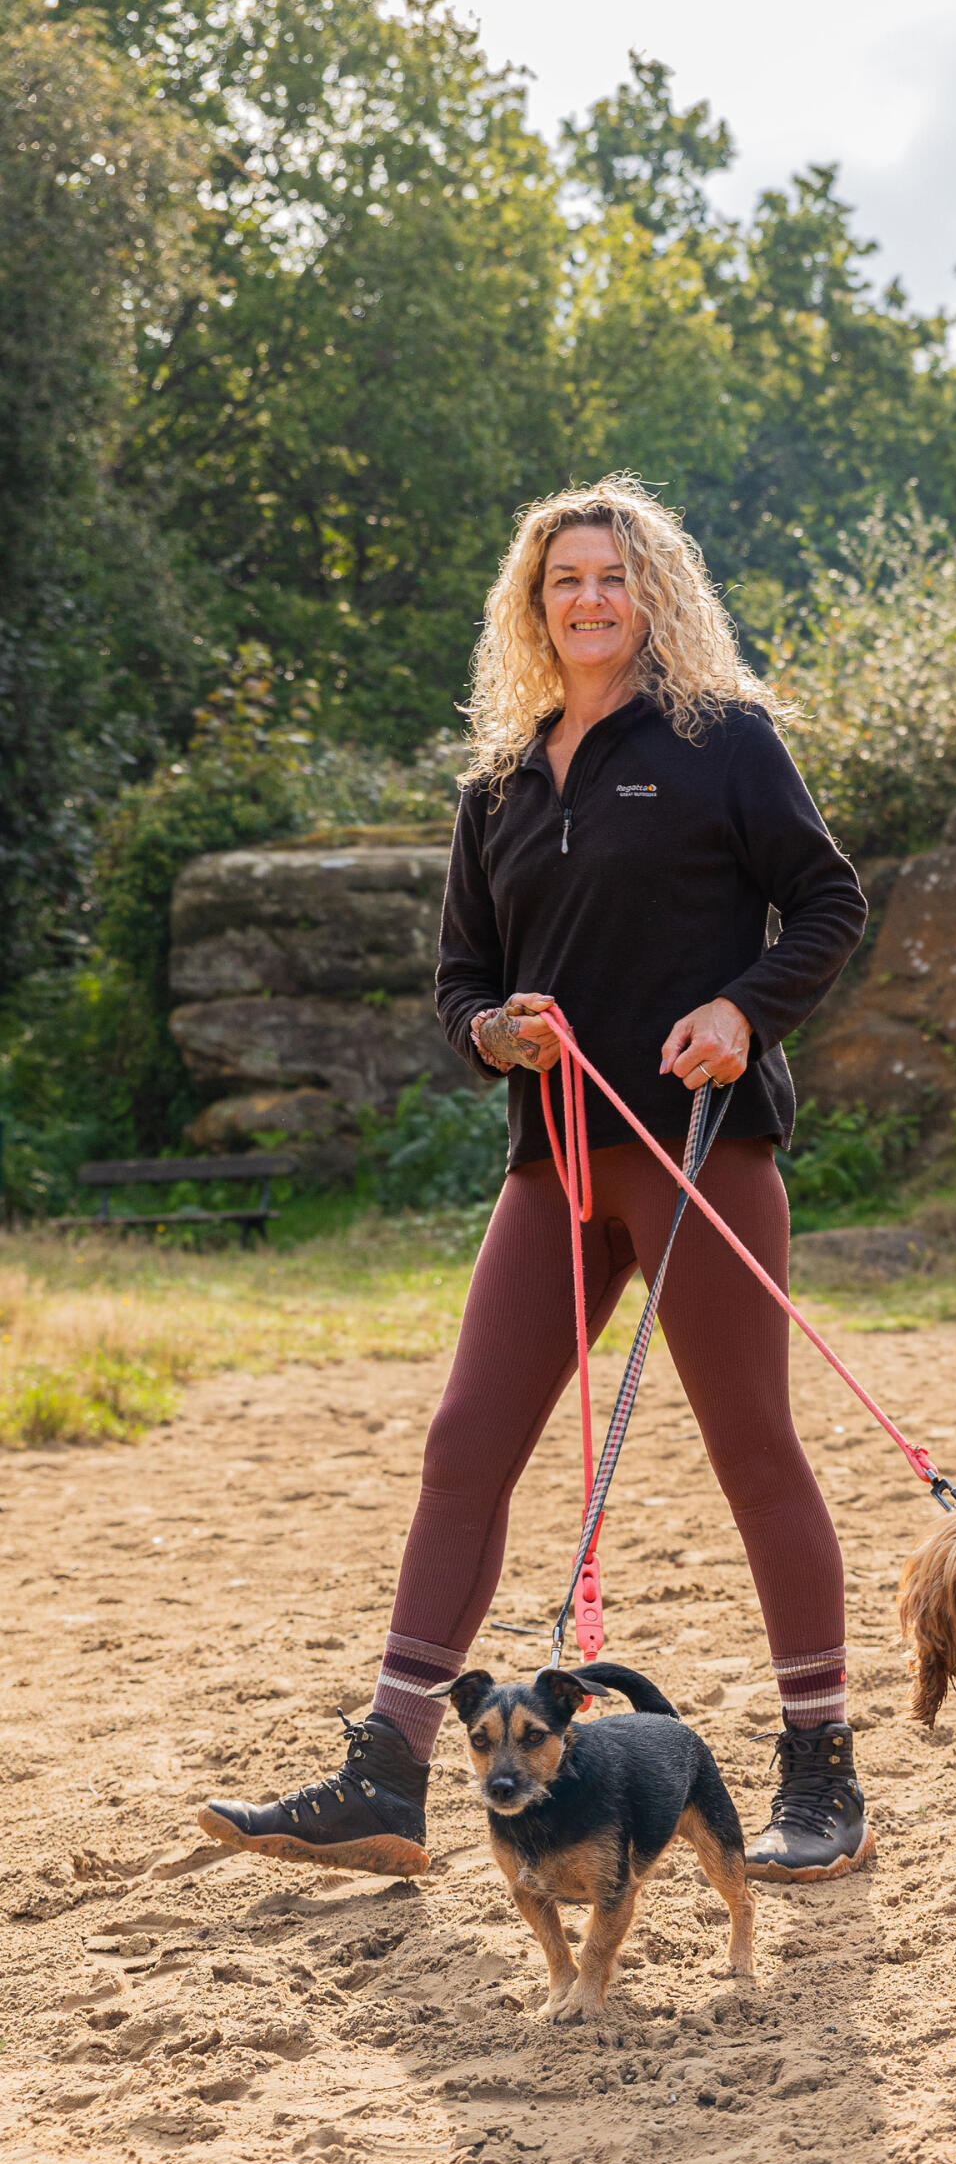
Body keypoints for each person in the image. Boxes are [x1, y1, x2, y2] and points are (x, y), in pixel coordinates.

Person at [200, 477, 873, 1884]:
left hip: (698, 1145)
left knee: (753, 1445)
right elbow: (459, 977)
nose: (587, 599)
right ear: (531, 602)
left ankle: (820, 1772)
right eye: (562, 579)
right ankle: (387, 1775)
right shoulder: (497, 781)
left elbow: (825, 902)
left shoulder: (721, 741)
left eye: (612, 577)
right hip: (550, 1163)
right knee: (463, 1444)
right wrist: (487, 1032)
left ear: (654, 595)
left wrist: (745, 1009)